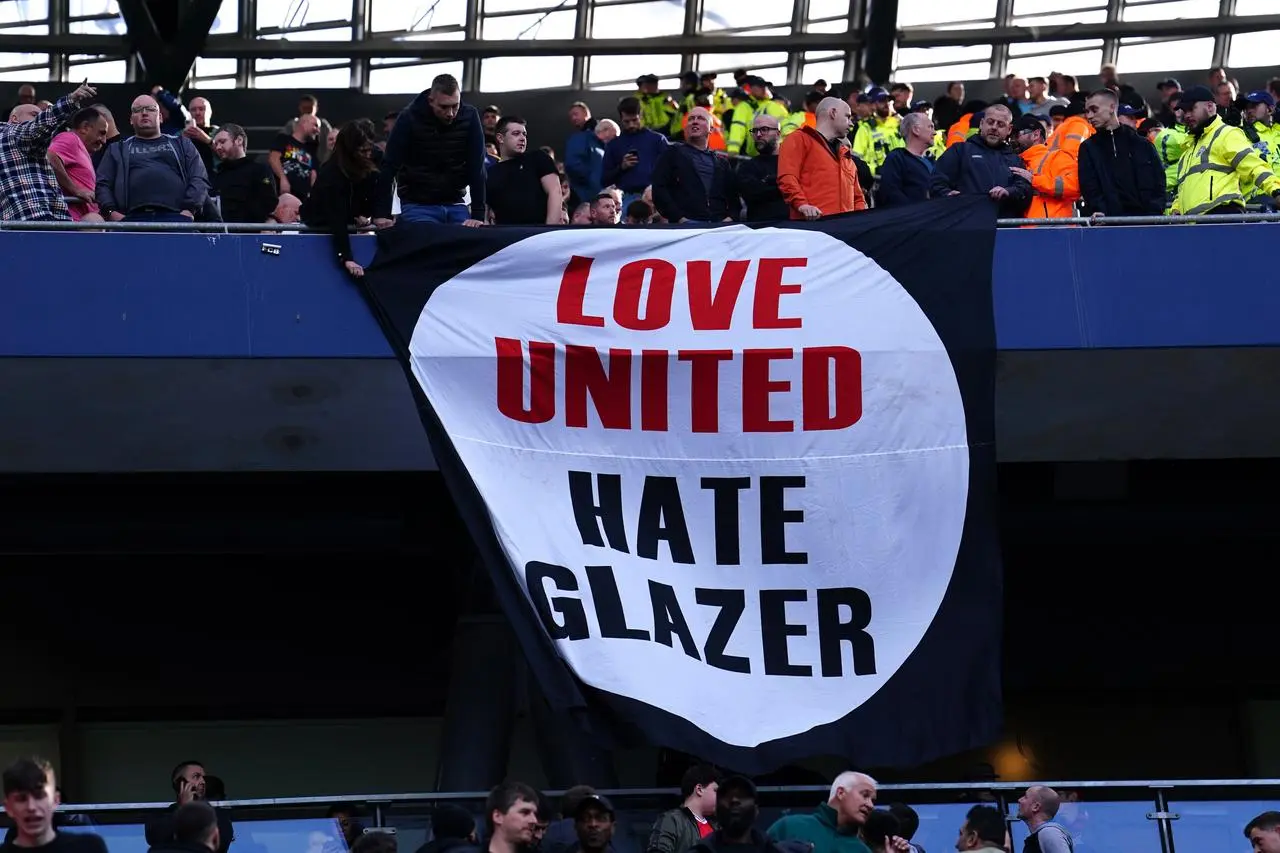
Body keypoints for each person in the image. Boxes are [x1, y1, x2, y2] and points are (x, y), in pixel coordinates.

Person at [303, 120, 379, 278]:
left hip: (347, 219)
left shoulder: (367, 164)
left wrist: (363, 214)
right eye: (363, 151)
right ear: (351, 150)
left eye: (369, 150)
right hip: (323, 223)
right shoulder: (332, 174)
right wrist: (346, 257)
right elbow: (336, 216)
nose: (368, 155)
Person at [0, 757, 108, 853]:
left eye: (39, 796)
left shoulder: (88, 848)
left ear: (56, 800)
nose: (31, 807)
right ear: (8, 807)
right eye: (21, 799)